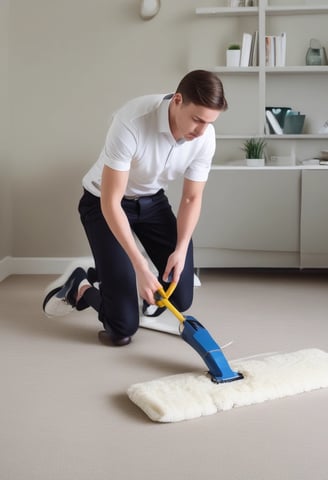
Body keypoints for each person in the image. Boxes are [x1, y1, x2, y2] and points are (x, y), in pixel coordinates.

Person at [42, 70, 228, 346]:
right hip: (104, 203)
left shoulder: (205, 136)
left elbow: (191, 198)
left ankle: (112, 277)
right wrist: (140, 267)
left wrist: (181, 247)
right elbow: (111, 201)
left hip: (152, 202)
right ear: (177, 100)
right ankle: (79, 286)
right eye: (197, 120)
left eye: (209, 123)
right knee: (121, 328)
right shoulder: (132, 120)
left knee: (181, 295)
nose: (201, 131)